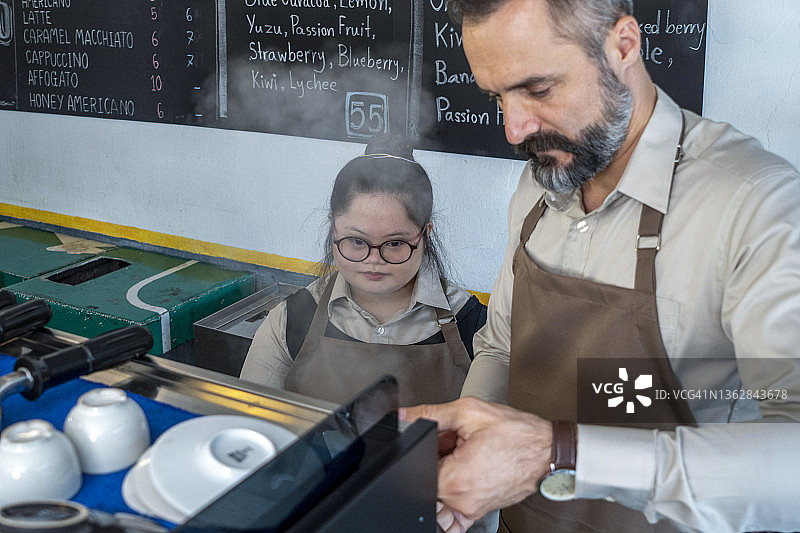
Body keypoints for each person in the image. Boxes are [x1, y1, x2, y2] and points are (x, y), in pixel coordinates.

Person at [401, 0, 800, 532]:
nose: (513, 130)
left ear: (624, 46)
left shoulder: (756, 204)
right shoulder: (542, 183)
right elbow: (501, 349)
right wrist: (463, 459)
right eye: (497, 97)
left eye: (539, 89)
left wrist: (561, 453)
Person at [240, 135, 487, 407]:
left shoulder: (473, 326)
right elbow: (251, 426)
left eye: (394, 243)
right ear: (333, 226)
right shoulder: (291, 321)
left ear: (425, 234)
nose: (373, 259)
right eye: (357, 241)